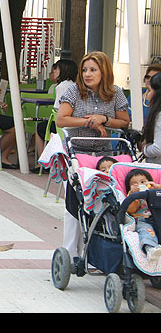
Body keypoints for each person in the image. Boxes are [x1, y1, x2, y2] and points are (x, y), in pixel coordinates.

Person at [56, 51, 130, 261]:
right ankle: (71, 252)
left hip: (104, 156)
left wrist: (104, 119)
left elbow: (124, 122)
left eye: (93, 70)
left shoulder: (115, 93)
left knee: (105, 201)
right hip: (77, 153)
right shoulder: (74, 91)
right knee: (75, 202)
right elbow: (62, 119)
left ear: (104, 71)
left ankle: (99, 251)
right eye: (85, 70)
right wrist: (89, 122)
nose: (87, 74)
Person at [34, 58, 78, 167]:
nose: (54, 71)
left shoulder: (61, 86)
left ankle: (43, 162)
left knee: (39, 128)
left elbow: (57, 109)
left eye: (57, 69)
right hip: (74, 125)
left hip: (63, 127)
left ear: (64, 70)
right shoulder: (75, 85)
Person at [124, 168, 161, 263]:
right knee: (147, 232)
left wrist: (157, 188)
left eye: (143, 182)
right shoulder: (132, 197)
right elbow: (130, 210)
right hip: (142, 220)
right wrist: (132, 195)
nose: (139, 185)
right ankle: (150, 249)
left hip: (157, 218)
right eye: (134, 183)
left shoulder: (155, 193)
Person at [142, 72, 161, 163]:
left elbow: (158, 148)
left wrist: (145, 149)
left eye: (149, 91)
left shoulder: (159, 115)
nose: (147, 95)